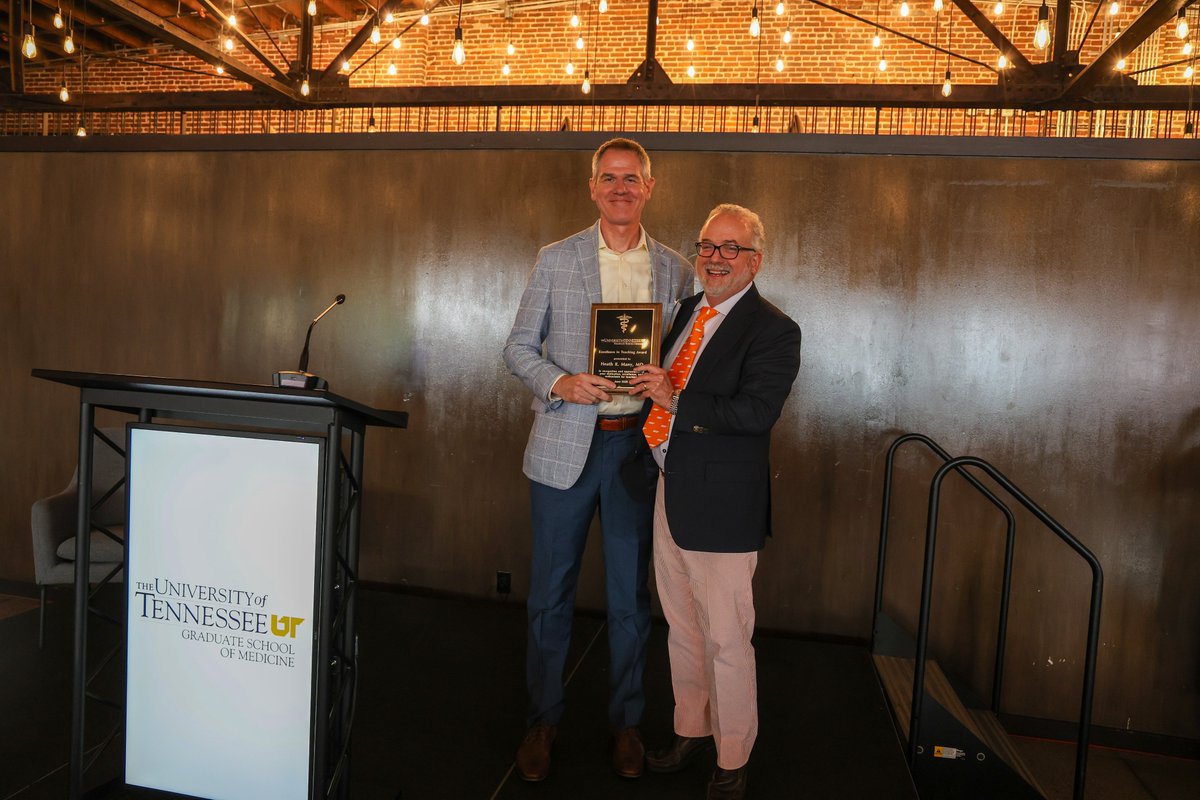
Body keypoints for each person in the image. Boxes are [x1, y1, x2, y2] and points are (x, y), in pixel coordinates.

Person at [502, 138, 692, 782]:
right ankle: (543, 717)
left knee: (629, 600)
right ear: (592, 187)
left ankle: (626, 723)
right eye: (608, 177)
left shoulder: (674, 270)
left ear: (650, 187)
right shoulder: (555, 259)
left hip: (635, 451)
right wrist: (561, 383)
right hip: (564, 446)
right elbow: (518, 348)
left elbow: (687, 359)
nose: (620, 187)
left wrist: (664, 379)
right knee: (550, 596)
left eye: (631, 178)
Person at [627, 204, 802, 800]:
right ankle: (691, 730)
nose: (716, 258)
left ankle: (732, 756)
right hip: (669, 490)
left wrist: (676, 400)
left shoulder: (774, 329)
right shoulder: (682, 312)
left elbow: (756, 415)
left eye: (731, 248)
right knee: (682, 628)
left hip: (724, 509)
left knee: (726, 636)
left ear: (755, 260)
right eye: (708, 246)